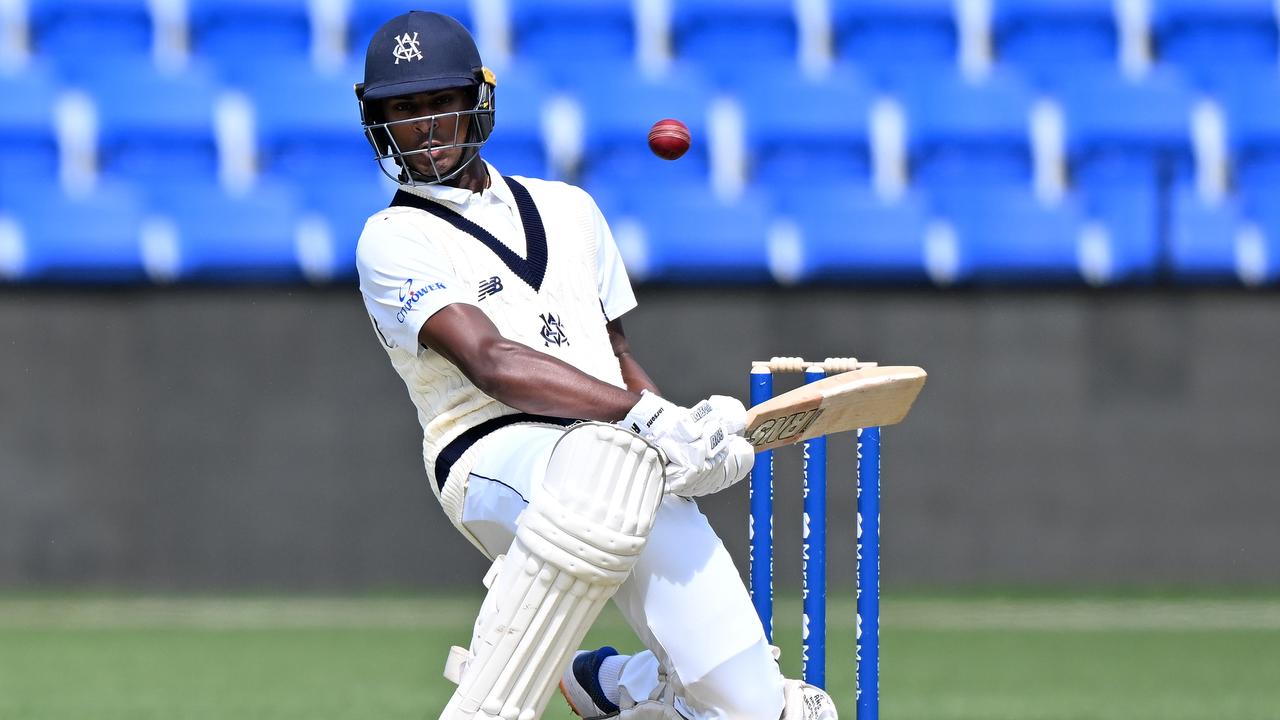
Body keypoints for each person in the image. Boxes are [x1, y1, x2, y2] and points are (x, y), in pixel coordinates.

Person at [353, 10, 837, 720]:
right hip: (488, 451)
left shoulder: (570, 209)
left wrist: (680, 439)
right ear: (375, 120)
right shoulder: (392, 238)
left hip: (612, 453)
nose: (422, 129)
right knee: (600, 473)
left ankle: (623, 687)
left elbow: (615, 358)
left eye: (438, 105)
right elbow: (490, 361)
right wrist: (644, 420)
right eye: (402, 111)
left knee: (764, 711)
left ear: (478, 103)